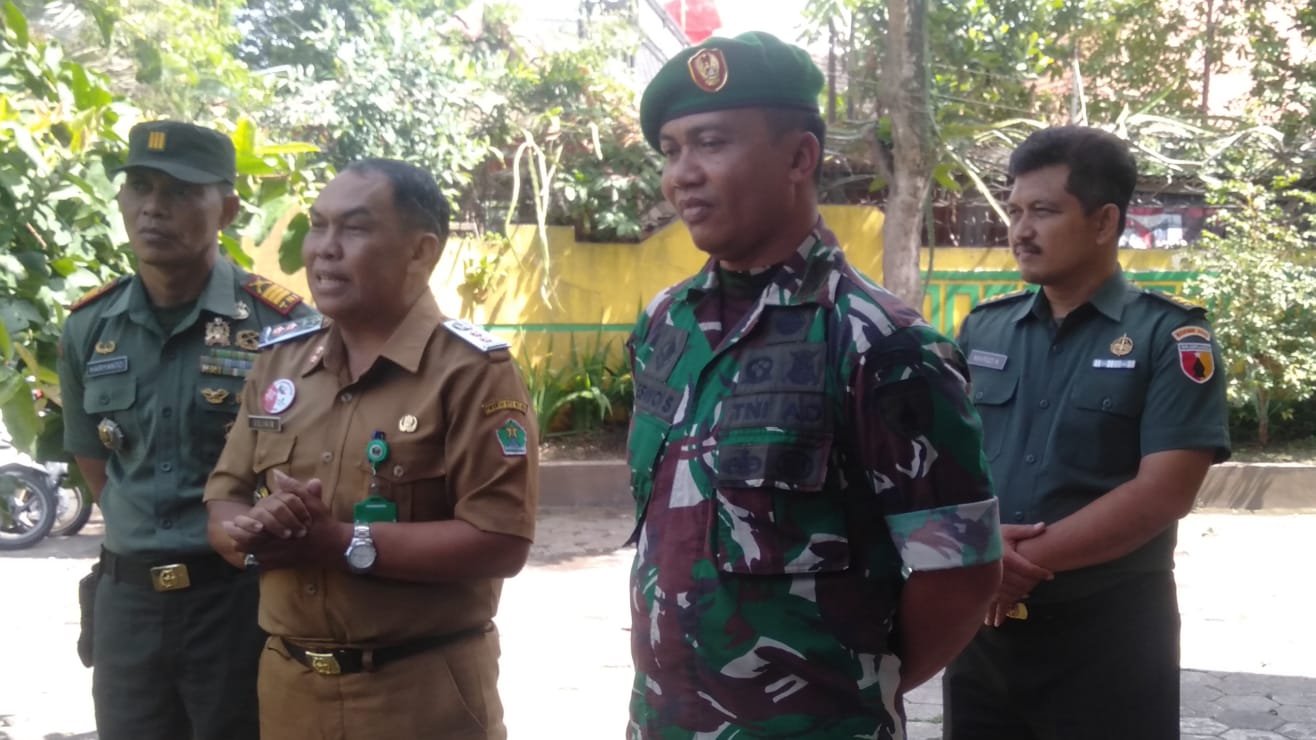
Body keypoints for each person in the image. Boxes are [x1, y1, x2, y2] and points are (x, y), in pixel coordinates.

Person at [626, 31, 1004, 739]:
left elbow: (960, 573)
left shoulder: (880, 343)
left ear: (800, 157)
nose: (683, 175)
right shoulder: (664, 325)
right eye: (671, 151)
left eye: (711, 143)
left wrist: (855, 692)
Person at [204, 158, 538, 740]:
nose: (324, 249)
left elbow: (500, 540)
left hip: (421, 694)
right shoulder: (280, 361)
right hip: (289, 690)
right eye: (318, 225)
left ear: (420, 252)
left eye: (355, 228)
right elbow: (223, 498)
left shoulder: (470, 371)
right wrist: (256, 535)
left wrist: (339, 543)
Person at [942, 126, 1231, 740]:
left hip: (1109, 638)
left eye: (1044, 211)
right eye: (1015, 211)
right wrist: (973, 554)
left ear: (1104, 223)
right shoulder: (985, 330)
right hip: (984, 635)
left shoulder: (1170, 338)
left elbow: (1163, 493)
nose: (1021, 230)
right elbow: (945, 463)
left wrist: (1007, 561)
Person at [57, 120, 316, 740]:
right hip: (127, 606)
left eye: (179, 191)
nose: (153, 208)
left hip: (237, 600)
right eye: (140, 187)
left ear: (226, 209)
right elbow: (97, 463)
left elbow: (309, 464)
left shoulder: (283, 328)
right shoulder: (90, 326)